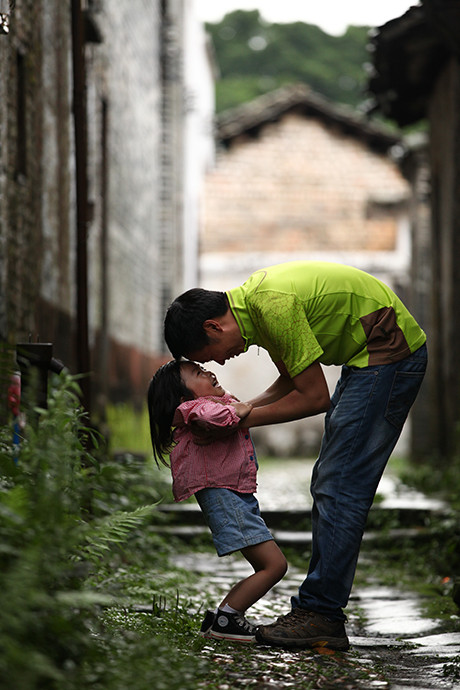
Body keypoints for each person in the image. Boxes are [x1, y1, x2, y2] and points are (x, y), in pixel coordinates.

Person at [164, 260, 427, 651]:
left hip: (389, 353)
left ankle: (322, 613)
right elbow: (293, 378)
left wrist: (238, 422)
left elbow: (315, 397)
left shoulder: (271, 307)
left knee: (339, 485)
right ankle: (321, 609)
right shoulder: (256, 307)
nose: (219, 363)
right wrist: (245, 407)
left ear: (213, 327)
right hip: (368, 360)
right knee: (330, 482)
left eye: (210, 355)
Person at [147, 359, 288, 644]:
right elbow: (215, 418)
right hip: (226, 498)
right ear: (183, 397)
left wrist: (241, 405)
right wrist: (237, 409)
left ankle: (223, 617)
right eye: (198, 373)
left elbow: (237, 410)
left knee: (270, 565)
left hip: (235, 496)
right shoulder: (194, 409)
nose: (209, 372)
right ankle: (227, 618)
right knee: (274, 566)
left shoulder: (213, 404)